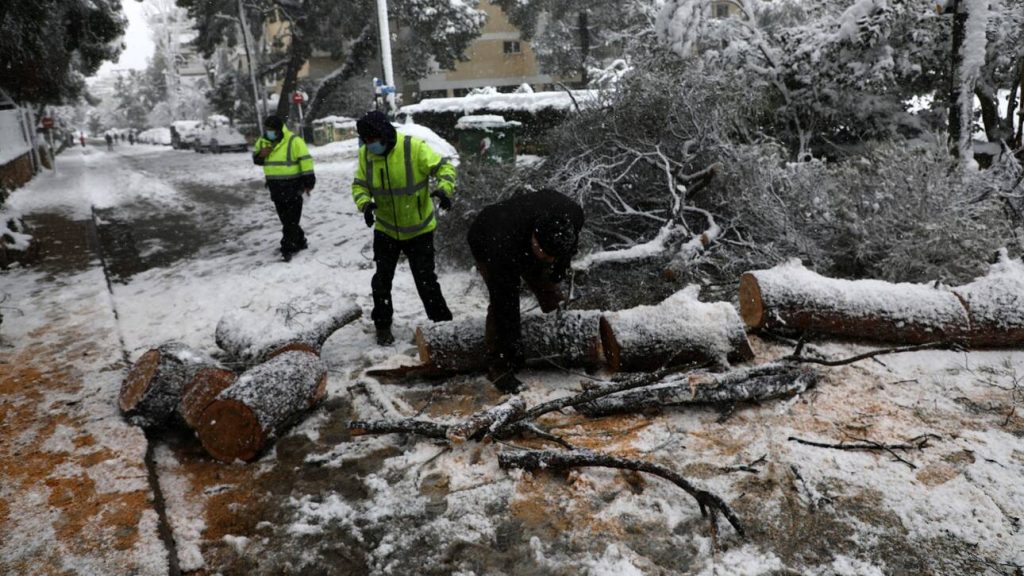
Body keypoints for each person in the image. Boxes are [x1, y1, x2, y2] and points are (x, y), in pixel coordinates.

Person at [351, 110, 456, 345]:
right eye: (366, 141)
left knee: (426, 281)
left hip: (419, 229)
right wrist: (365, 205)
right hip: (386, 229)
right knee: (381, 281)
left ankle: (445, 326)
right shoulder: (365, 156)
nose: (371, 145)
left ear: (385, 134)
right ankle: (383, 326)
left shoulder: (414, 148)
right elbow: (359, 185)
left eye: (373, 140)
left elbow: (445, 169)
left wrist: (444, 189)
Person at [467, 189, 584, 393]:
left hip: (525, 234)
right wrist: (513, 345)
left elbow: (568, 248)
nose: (548, 260)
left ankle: (559, 331)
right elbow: (506, 303)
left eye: (552, 257)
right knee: (503, 304)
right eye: (543, 254)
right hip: (486, 238)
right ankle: (499, 367)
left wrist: (559, 268)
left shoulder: (573, 216)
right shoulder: (501, 245)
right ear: (535, 238)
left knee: (551, 291)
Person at [252, 115, 315, 261]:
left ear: (279, 129)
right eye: (267, 129)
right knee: (286, 220)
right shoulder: (263, 141)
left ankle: (287, 247)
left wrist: (309, 183)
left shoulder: (294, 141)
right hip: (275, 187)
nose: (269, 132)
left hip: (293, 186)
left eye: (272, 129)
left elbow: (306, 162)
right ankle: (300, 241)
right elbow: (256, 159)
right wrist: (260, 156)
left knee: (291, 221)